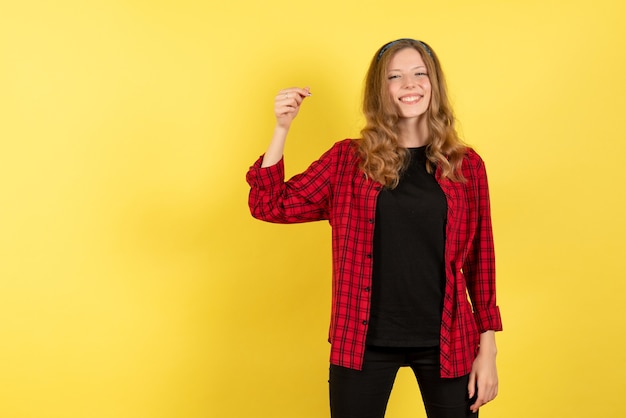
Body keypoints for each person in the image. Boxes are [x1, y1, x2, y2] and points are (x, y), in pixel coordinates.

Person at [246, 38, 502, 418]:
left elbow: (481, 261)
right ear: (380, 91)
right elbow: (271, 205)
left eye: (420, 74)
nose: (410, 84)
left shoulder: (466, 165)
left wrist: (488, 351)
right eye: (395, 77)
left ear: (434, 84)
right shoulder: (348, 160)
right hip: (362, 339)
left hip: (449, 340)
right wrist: (282, 129)